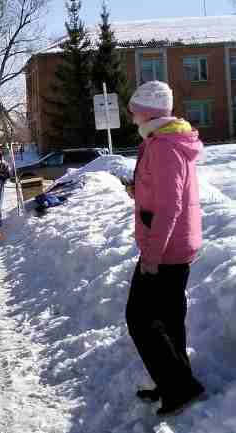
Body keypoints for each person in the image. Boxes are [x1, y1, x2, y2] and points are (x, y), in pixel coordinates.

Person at [124, 80, 205, 416]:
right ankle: (176, 379)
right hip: (173, 243)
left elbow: (170, 206)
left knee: (139, 318)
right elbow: (164, 194)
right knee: (169, 318)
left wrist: (152, 256)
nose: (131, 117)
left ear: (148, 111)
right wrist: (138, 190)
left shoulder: (164, 146)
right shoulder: (164, 140)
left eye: (134, 110)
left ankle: (179, 387)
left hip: (165, 249)